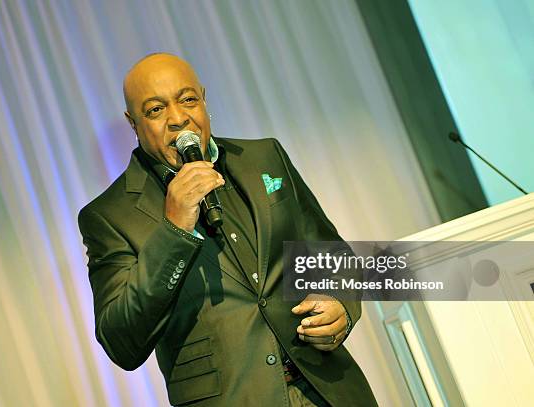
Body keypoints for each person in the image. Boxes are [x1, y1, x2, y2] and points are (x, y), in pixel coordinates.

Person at [78, 53, 376, 406]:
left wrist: (341, 303)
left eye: (188, 99)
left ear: (203, 98)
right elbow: (121, 343)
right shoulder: (109, 215)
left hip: (329, 390)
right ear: (133, 123)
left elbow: (332, 254)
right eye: (156, 110)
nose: (178, 119)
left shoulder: (264, 156)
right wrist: (174, 231)